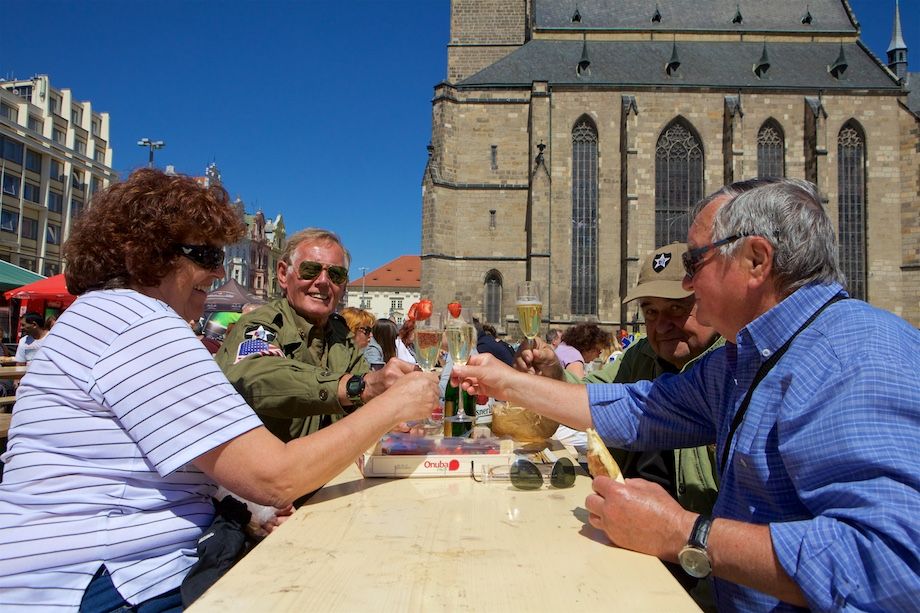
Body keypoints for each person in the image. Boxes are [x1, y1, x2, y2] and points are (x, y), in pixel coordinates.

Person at [454, 178, 920, 611]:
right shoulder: (749, 355)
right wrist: (505, 381)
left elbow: (896, 565)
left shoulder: (854, 355)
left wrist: (684, 533)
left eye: (696, 263)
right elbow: (639, 407)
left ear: (756, 261)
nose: (688, 284)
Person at [0, 168, 438, 611]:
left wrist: (251, 509)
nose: (217, 270)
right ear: (143, 253)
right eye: (203, 254)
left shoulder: (106, 317)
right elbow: (273, 469)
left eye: (219, 255)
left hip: (116, 566)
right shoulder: (141, 325)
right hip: (110, 581)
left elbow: (170, 466)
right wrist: (381, 400)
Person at [521, 242, 723, 607]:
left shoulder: (730, 365)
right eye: (650, 311)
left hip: (701, 569)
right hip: (627, 547)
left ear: (707, 302)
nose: (662, 325)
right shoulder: (640, 354)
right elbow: (592, 397)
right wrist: (553, 375)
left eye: (677, 309)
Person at [215, 228, 416, 442]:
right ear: (283, 274)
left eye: (336, 274)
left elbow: (367, 396)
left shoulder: (341, 334)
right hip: (268, 468)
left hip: (331, 467)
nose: (322, 281)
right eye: (310, 270)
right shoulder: (262, 324)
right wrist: (356, 386)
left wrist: (394, 420)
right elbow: (257, 376)